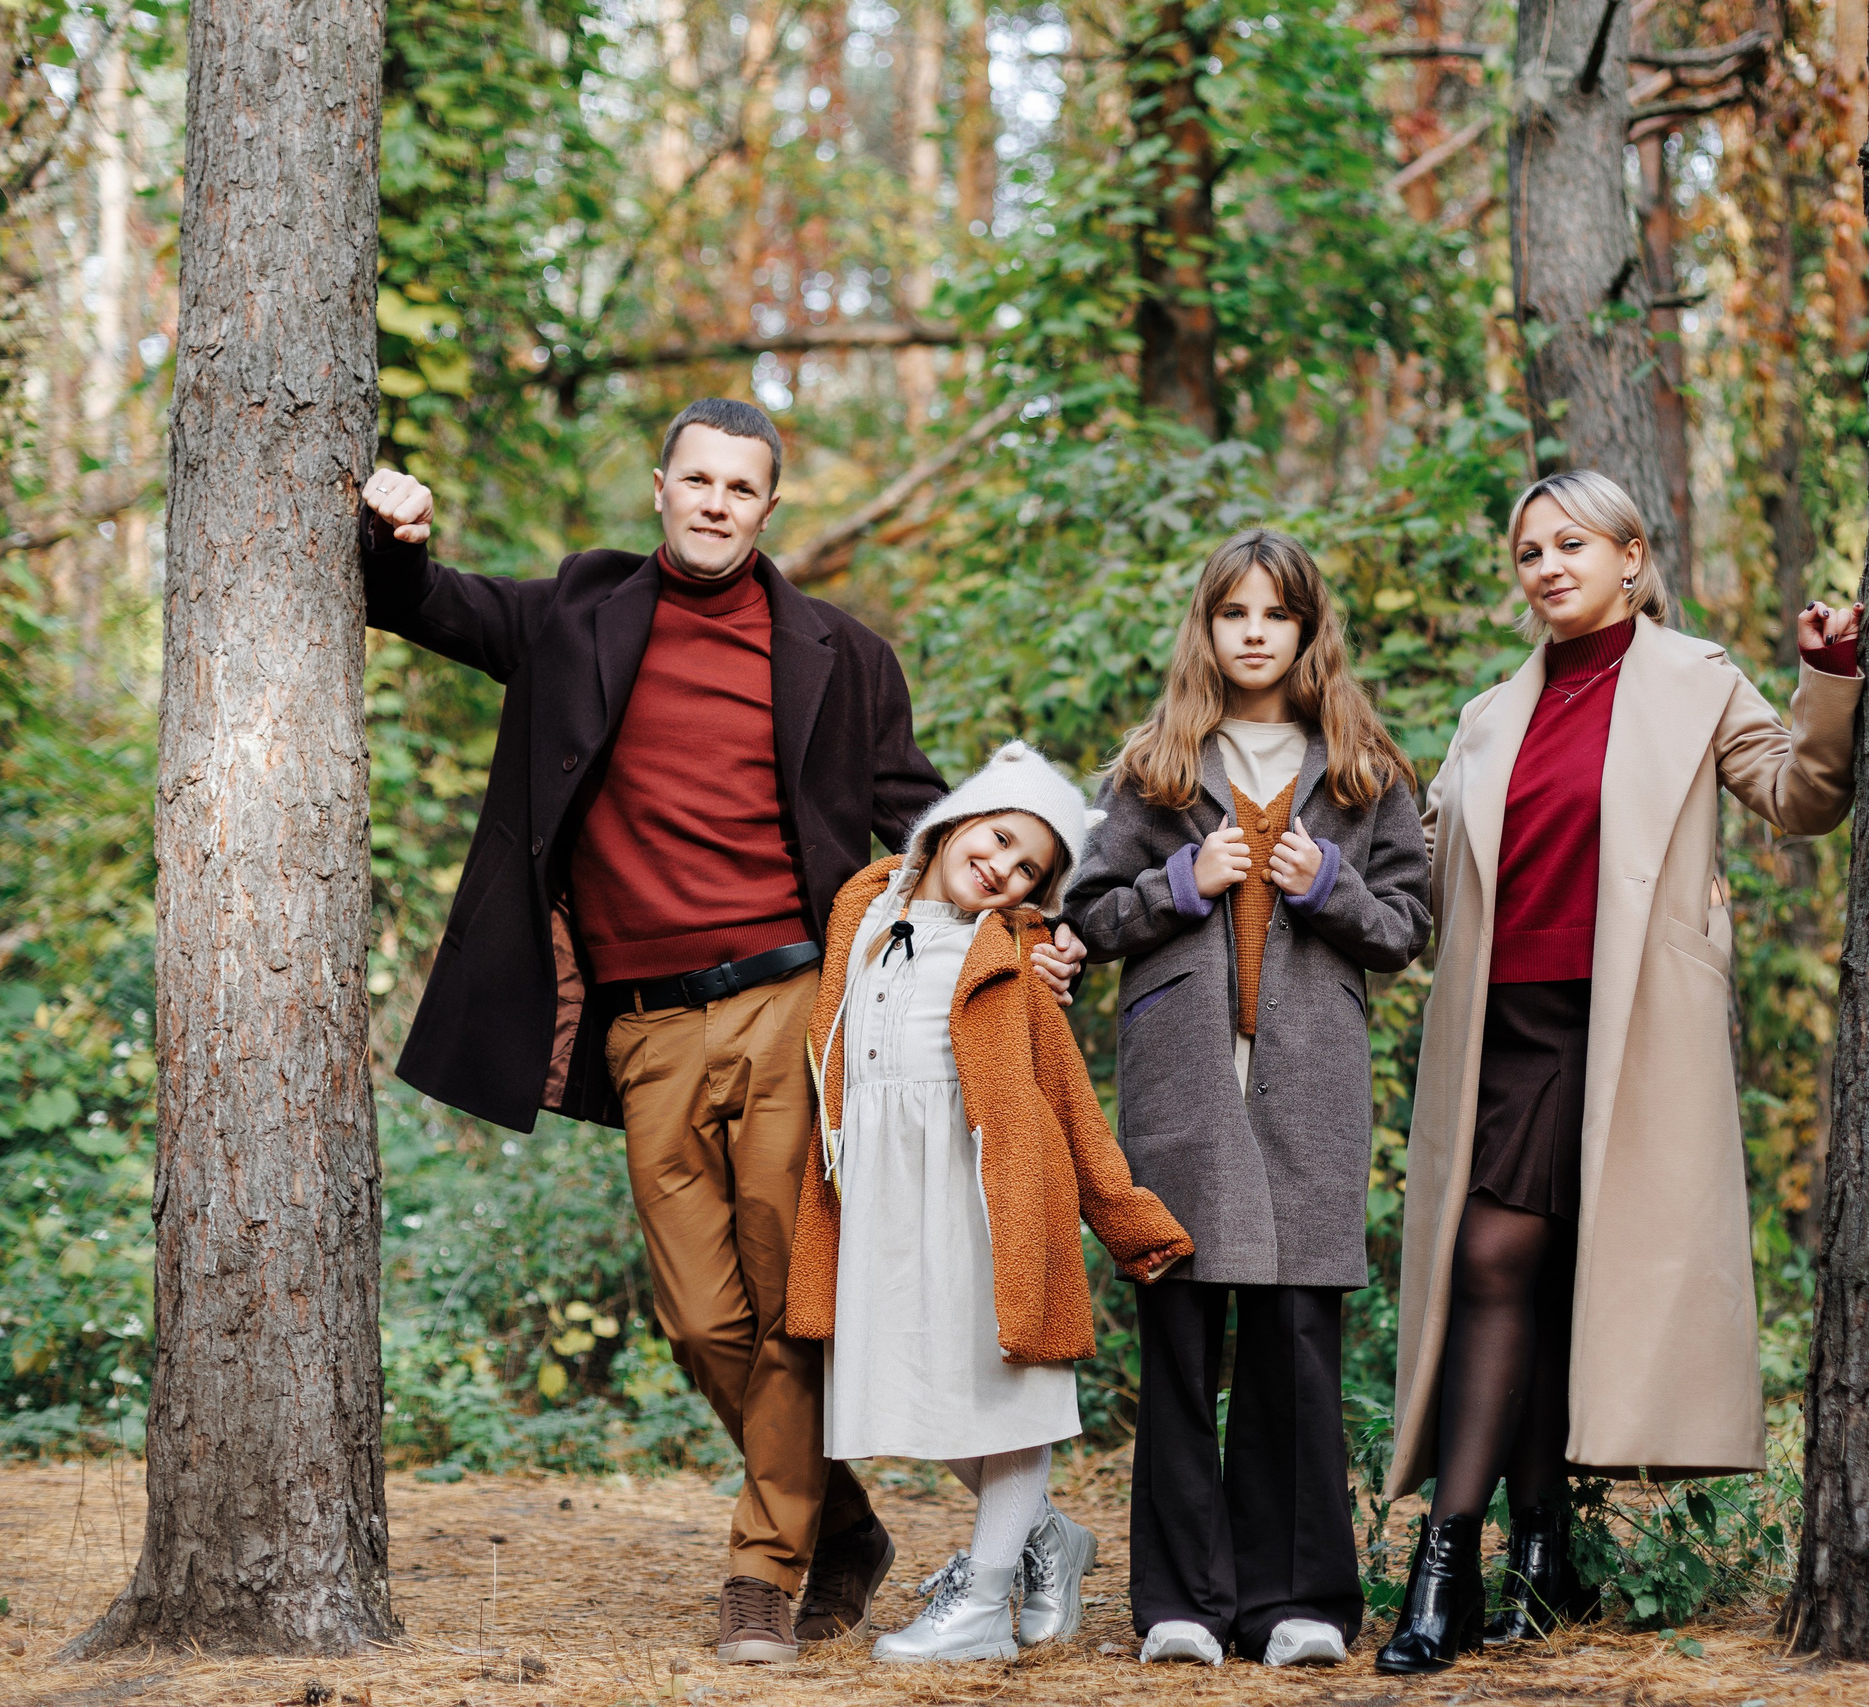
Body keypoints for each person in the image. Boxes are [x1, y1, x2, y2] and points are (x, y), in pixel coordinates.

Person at [355, 400, 1086, 1666]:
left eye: (740, 488)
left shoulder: (840, 655)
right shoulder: (573, 614)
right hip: (644, 1031)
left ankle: (762, 1576)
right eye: (696, 480)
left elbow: (928, 821)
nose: (714, 503)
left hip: (792, 1007)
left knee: (793, 1303)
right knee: (699, 1321)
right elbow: (424, 606)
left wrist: (1040, 920)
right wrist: (396, 535)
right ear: (660, 487)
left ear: (767, 508)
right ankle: (842, 1524)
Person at [1376, 471, 1864, 1674]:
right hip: (1500, 1026)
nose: (1547, 566)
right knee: (1510, 1270)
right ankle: (1522, 1556)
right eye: (1529, 551)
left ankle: (1461, 1565)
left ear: (1631, 559)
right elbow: (1424, 867)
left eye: (1572, 545)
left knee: (1511, 1266)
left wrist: (1831, 677)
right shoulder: (1489, 714)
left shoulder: (1697, 681)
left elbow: (1799, 796)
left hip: (1625, 1020)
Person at [1066, 529, 1433, 1668]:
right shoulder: (1156, 767)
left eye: (1278, 613)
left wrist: (1328, 885)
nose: (1257, 633)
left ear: (1309, 629)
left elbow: (1407, 928)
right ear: (1208, 628)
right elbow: (1088, 913)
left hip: (1309, 1092)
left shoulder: (1364, 769)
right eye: (1236, 614)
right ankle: (1182, 1601)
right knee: (1180, 1344)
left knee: (1294, 1346)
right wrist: (1184, 880)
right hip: (1183, 1090)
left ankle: (1299, 1602)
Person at [782, 740, 1193, 1663]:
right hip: (881, 1188)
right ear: (956, 819)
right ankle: (1049, 1537)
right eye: (1001, 838)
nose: (1004, 869)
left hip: (986, 1192)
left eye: (1029, 870)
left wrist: (1122, 1211)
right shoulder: (863, 904)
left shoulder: (1017, 949)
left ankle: (981, 1602)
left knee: (1006, 1391)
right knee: (916, 1384)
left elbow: (1065, 1093)